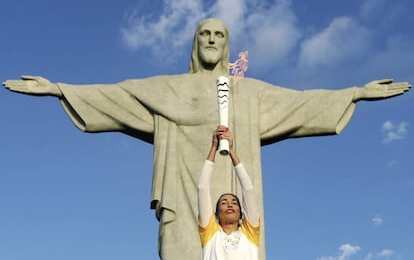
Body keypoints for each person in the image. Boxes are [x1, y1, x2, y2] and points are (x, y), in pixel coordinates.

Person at [2, 18, 411, 260]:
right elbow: (117, 95)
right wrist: (58, 88)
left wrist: (354, 92)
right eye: (204, 34)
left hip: (235, 195)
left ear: (227, 43)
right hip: (183, 198)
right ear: (195, 44)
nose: (212, 40)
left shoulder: (248, 93)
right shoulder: (166, 89)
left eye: (219, 34)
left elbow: (300, 105)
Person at [198, 126, 259, 260]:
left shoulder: (250, 232)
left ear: (241, 213)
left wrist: (231, 150)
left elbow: (248, 190)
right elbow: (202, 187)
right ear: (216, 214)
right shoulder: (210, 233)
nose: (230, 205)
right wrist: (214, 147)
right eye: (224, 203)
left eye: (234, 203)